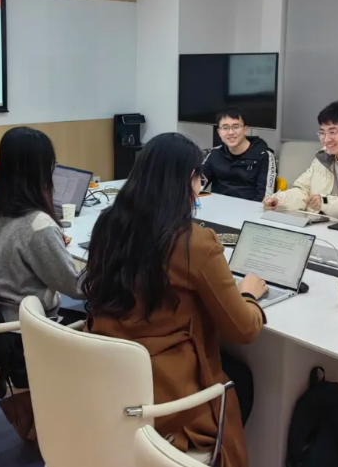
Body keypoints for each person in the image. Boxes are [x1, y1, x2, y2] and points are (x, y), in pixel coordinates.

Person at [83, 133, 267, 467]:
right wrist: (248, 295)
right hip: (165, 394)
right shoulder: (194, 242)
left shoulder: (109, 224)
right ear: (188, 180)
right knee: (240, 377)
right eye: (200, 179)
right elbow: (243, 330)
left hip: (112, 378)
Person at [0, 127, 84, 323]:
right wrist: (106, 263)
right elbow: (77, 287)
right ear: (41, 171)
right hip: (31, 325)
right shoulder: (39, 226)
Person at [201, 106, 276, 202]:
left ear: (245, 129)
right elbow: (198, 185)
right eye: (225, 128)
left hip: (250, 208)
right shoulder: (213, 154)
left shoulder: (264, 155)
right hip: (218, 207)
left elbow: (265, 198)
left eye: (236, 127)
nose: (231, 132)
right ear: (219, 132)